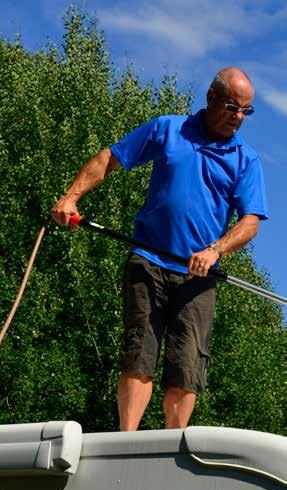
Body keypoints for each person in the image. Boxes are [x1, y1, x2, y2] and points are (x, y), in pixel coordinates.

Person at [51, 67, 268, 431]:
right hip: (148, 261)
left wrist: (215, 250)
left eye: (246, 111)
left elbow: (250, 222)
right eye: (232, 107)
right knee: (138, 356)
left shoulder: (246, 159)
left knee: (186, 370)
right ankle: (126, 443)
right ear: (211, 98)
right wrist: (70, 197)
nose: (238, 117)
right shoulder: (168, 129)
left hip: (198, 277)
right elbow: (111, 158)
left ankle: (170, 455)